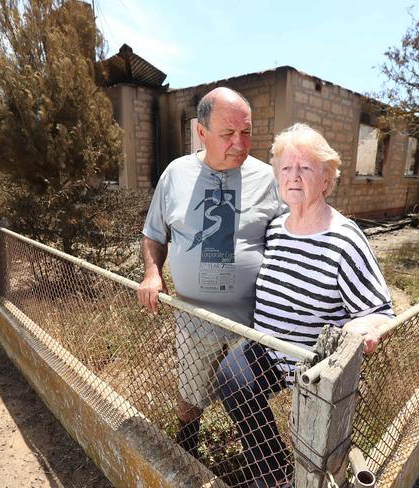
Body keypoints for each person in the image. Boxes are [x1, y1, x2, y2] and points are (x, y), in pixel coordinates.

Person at [217, 123, 395, 487]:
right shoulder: (276, 228)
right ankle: (274, 476)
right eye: (286, 168)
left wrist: (362, 327)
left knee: (313, 448)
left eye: (306, 168)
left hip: (314, 367)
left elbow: (380, 311)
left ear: (327, 180)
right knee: (230, 379)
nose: (293, 176)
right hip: (267, 350)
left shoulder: (344, 239)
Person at [137, 87, 283, 457]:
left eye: (246, 132)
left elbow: (292, 237)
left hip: (252, 320)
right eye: (227, 134)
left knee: (246, 400)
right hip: (194, 316)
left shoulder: (269, 179)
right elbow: (154, 233)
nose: (239, 143)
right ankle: (187, 457)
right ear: (201, 133)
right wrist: (152, 273)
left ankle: (266, 473)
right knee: (190, 399)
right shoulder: (176, 175)